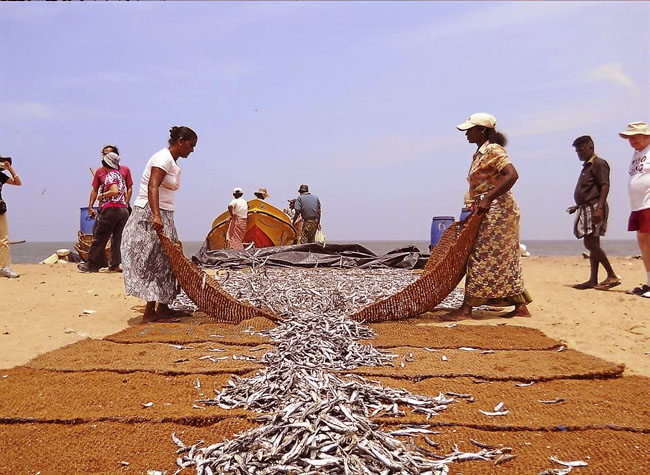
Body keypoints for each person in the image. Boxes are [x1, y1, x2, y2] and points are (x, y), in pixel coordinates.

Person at [444, 113, 532, 320]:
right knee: (504, 257)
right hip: (488, 208)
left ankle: (467, 308)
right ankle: (520, 306)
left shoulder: (493, 149)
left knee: (480, 256)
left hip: (499, 211)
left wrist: (488, 198)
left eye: (470, 130)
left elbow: (512, 175)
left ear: (482, 130)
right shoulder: (480, 154)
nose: (466, 134)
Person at [121, 126, 198, 321]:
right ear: (180, 141)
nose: (192, 150)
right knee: (154, 260)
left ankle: (163, 307)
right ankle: (149, 312)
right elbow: (152, 186)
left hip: (165, 212)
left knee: (168, 259)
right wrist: (156, 215)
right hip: (150, 212)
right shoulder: (162, 158)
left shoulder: (172, 162)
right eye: (190, 145)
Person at [567, 136, 619, 290]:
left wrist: (599, 208)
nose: (579, 153)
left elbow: (604, 186)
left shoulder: (598, 163)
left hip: (594, 207)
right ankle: (593, 279)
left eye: (582, 150)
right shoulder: (587, 166)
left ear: (591, 148)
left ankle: (611, 275)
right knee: (593, 244)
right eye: (577, 151)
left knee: (589, 243)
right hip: (586, 208)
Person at [78, 150, 132, 273]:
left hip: (111, 209)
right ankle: (114, 264)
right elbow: (126, 190)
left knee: (100, 237)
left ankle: (91, 265)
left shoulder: (110, 175)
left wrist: (102, 195)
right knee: (117, 238)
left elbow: (114, 190)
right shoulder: (119, 174)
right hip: (123, 209)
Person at [619, 121, 650, 298]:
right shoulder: (637, 153)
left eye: (635, 137)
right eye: (629, 138)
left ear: (646, 136)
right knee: (643, 243)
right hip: (638, 205)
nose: (632, 141)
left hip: (648, 204)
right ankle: (649, 282)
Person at [0, 156, 22, 278]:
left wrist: (10, 169)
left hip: (0, 208)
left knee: (4, 239)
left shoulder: (1, 176)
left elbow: (18, 182)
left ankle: (4, 267)